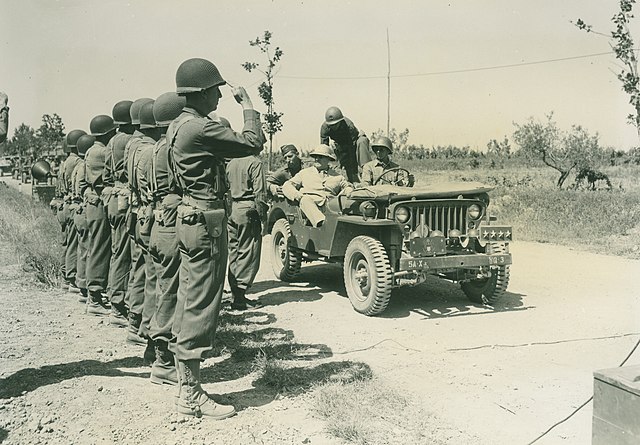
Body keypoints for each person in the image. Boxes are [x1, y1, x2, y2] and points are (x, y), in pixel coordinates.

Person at [168, 57, 265, 419]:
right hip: (205, 220)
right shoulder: (200, 129)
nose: (221, 97)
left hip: (192, 215)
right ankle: (190, 395)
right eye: (217, 91)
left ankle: (185, 387)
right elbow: (252, 142)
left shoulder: (179, 126)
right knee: (201, 303)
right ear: (202, 92)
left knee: (190, 298)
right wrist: (249, 106)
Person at [146, 92, 186, 386]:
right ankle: (164, 361)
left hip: (159, 220)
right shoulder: (170, 149)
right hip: (171, 223)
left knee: (163, 287)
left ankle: (159, 352)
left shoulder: (155, 148)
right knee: (172, 291)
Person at [125, 99, 158, 356]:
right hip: (151, 213)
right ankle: (146, 330)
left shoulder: (133, 146)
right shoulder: (151, 150)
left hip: (138, 211)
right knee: (153, 276)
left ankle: (137, 322)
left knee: (142, 270)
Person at [103, 100, 135, 328]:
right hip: (125, 197)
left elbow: (106, 174)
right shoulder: (131, 140)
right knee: (125, 253)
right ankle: (118, 305)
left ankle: (116, 300)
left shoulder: (112, 141)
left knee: (117, 250)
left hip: (113, 197)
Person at [226, 154, 267, 310]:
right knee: (249, 252)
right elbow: (260, 194)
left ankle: (235, 294)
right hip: (248, 209)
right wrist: (263, 217)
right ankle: (240, 299)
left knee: (234, 252)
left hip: (233, 208)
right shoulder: (254, 163)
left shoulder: (231, 162)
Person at [84, 115, 116, 316]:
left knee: (97, 246)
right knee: (100, 247)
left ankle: (94, 293)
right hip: (98, 202)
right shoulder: (102, 152)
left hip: (93, 203)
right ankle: (95, 296)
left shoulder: (91, 150)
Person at [282, 144, 353, 228]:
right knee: (305, 200)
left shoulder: (337, 176)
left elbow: (347, 186)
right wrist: (298, 196)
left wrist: (348, 188)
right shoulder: (304, 173)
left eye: (321, 157)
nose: (317, 159)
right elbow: (287, 185)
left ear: (328, 159)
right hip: (310, 206)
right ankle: (322, 224)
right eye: (315, 156)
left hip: (331, 207)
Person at [61, 130, 87, 293]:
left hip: (66, 204)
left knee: (68, 242)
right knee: (74, 244)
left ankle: (66, 276)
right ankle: (71, 278)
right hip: (73, 203)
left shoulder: (66, 161)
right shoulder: (76, 162)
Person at [71, 134, 96, 304]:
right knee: (88, 250)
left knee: (83, 249)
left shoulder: (77, 166)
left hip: (77, 209)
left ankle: (81, 285)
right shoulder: (82, 166)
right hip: (83, 208)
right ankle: (86, 289)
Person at [320, 106, 360, 183]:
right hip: (338, 144)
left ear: (340, 122)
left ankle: (354, 179)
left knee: (350, 164)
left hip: (350, 143)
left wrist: (353, 169)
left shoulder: (349, 126)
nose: (333, 127)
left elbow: (352, 148)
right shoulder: (324, 128)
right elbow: (324, 148)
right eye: (331, 125)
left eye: (335, 124)